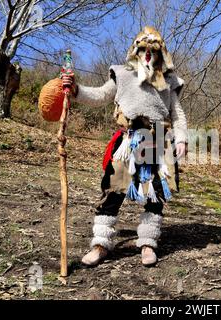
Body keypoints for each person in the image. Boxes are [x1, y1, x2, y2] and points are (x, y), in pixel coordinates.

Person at [62, 26, 188, 267]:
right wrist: (76, 90)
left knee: (156, 195)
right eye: (143, 50)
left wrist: (181, 138)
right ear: (135, 51)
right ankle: (101, 243)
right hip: (127, 141)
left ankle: (148, 243)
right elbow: (99, 95)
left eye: (153, 51)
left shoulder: (169, 81)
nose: (148, 56)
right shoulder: (121, 74)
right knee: (112, 190)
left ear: (161, 54)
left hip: (158, 140)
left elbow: (177, 114)